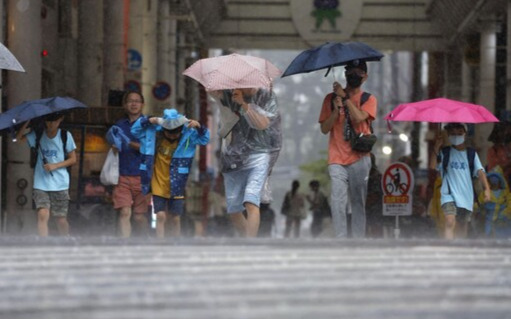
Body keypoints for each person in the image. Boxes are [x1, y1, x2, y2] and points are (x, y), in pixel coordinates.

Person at [212, 87, 281, 237]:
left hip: (258, 155)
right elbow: (212, 93)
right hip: (233, 157)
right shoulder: (229, 93)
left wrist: (243, 104)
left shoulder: (266, 97)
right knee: (234, 209)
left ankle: (251, 243)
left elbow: (263, 124)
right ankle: (246, 241)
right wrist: (221, 94)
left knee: (251, 201)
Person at [318, 59, 376, 238]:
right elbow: (324, 129)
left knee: (358, 202)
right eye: (350, 72)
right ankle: (341, 238)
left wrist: (345, 98)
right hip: (336, 158)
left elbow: (359, 118)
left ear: (365, 77)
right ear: (345, 74)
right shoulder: (330, 99)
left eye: (358, 73)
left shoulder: (368, 99)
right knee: (338, 201)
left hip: (360, 157)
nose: (354, 76)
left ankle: (358, 239)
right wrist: (336, 110)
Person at [131, 108, 210, 238]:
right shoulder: (153, 133)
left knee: (175, 217)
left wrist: (199, 126)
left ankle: (176, 242)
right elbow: (135, 130)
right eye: (169, 133)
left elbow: (204, 139)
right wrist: (149, 120)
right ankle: (160, 243)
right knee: (160, 215)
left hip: (177, 183)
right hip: (158, 182)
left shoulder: (189, 135)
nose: (172, 136)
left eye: (175, 133)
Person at [15, 113, 77, 237]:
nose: (51, 124)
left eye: (54, 121)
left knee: (60, 218)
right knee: (42, 214)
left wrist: (55, 165)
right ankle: (44, 243)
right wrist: (26, 123)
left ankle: (66, 239)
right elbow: (18, 140)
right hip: (41, 182)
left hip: (60, 183)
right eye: (48, 121)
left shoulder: (65, 135)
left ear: (60, 119)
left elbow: (73, 159)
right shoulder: (38, 134)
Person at [429, 122, 490, 239]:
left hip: (466, 196)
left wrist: (487, 189)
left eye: (459, 133)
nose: (456, 136)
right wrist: (436, 147)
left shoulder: (471, 154)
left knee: (462, 225)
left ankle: (461, 249)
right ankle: (449, 249)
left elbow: (480, 172)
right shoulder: (445, 152)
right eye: (452, 134)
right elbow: (432, 166)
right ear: (447, 134)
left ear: (465, 134)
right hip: (448, 195)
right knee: (450, 221)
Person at [106, 91, 149, 237]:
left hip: (142, 176)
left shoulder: (148, 125)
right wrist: (115, 147)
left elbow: (149, 148)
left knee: (138, 217)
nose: (134, 104)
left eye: (137, 101)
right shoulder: (119, 125)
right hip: (122, 176)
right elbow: (114, 145)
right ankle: (125, 245)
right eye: (130, 101)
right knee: (124, 212)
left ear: (142, 104)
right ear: (125, 105)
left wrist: (130, 143)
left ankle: (145, 239)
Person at [477, 169, 511, 238]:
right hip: (489, 219)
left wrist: (503, 215)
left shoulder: (506, 193)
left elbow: (510, 205)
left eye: (496, 179)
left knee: (504, 236)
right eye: (492, 179)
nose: (494, 182)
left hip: (503, 220)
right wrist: (479, 208)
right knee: (489, 236)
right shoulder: (485, 193)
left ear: (500, 181)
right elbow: (479, 204)